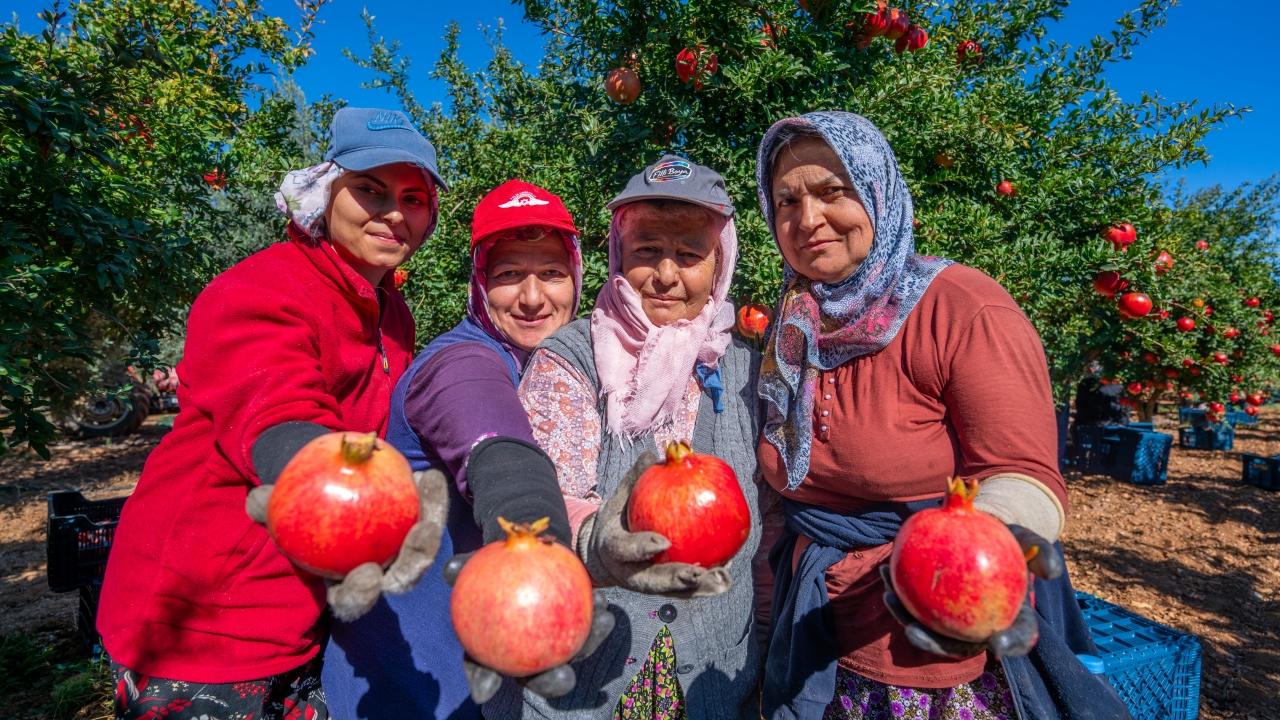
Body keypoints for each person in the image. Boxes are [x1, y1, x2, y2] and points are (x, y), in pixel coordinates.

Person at [753, 111, 1129, 720]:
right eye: (786, 200)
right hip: (815, 622)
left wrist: (975, 555)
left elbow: (1025, 476)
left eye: (832, 192)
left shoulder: (963, 309)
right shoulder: (794, 322)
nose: (808, 219)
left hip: (931, 642)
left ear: (878, 191)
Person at [97, 107, 450, 719]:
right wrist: (372, 508)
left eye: (413, 197)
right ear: (326, 189)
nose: (394, 212)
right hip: (203, 623)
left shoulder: (391, 313)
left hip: (303, 609)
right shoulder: (258, 291)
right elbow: (278, 416)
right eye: (370, 189)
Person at [321, 178, 616, 719]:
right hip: (415, 688)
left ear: (577, 274)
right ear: (480, 282)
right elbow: (499, 454)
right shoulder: (462, 362)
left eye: (551, 273)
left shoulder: (559, 370)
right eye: (508, 275)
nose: (532, 298)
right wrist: (541, 544)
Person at [499, 155, 764, 719]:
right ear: (621, 255)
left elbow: (769, 524)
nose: (666, 276)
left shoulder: (743, 369)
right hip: (583, 682)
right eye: (647, 252)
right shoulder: (571, 361)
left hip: (716, 683)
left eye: (689, 255)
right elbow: (541, 508)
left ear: (719, 265)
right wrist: (596, 544)